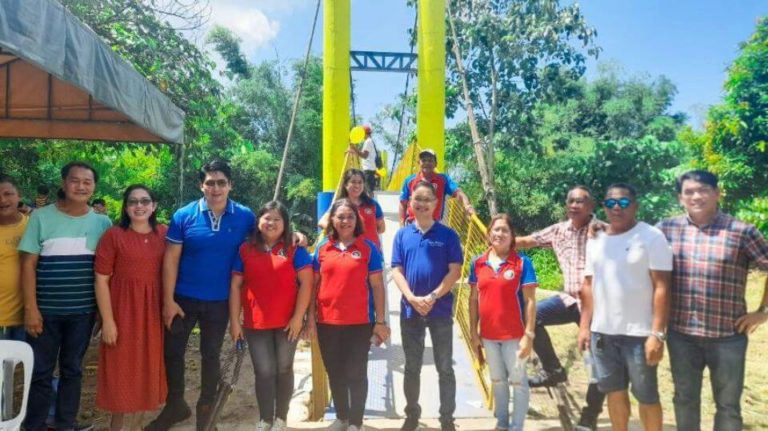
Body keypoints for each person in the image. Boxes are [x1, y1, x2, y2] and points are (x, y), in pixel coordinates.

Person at [147, 159, 256, 431]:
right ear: (201, 185)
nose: (215, 188)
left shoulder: (245, 217)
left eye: (221, 182)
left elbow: (268, 238)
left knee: (211, 355)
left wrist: (298, 236)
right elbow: (171, 260)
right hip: (183, 299)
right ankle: (175, 406)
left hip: (220, 301)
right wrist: (168, 300)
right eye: (210, 182)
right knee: (172, 352)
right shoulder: (183, 215)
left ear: (230, 185)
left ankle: (206, 413)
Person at [656, 170, 768, 431]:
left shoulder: (742, 231)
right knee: (684, 399)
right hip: (681, 335)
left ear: (717, 193)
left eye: (703, 189)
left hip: (728, 336)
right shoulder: (666, 229)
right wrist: (599, 226)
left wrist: (764, 311)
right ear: (680, 198)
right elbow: (631, 241)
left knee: (728, 406)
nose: (696, 196)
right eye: (689, 192)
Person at [19, 161, 112, 431]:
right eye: (75, 180)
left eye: (87, 181)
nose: (81, 186)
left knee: (73, 370)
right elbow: (28, 266)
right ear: (63, 183)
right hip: (44, 313)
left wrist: (101, 313)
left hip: (83, 314)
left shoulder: (102, 223)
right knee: (40, 372)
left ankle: (65, 424)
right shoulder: (40, 217)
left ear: (94, 186)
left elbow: (105, 273)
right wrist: (30, 309)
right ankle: (34, 425)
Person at [577, 183, 672, 431]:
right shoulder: (595, 240)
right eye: (610, 203)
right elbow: (588, 286)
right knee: (614, 393)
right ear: (603, 207)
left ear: (635, 206)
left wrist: (657, 334)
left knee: (647, 396)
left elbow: (662, 287)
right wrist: (585, 327)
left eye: (623, 203)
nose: (616, 208)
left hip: (640, 335)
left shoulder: (651, 237)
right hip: (603, 334)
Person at [514, 185, 606, 429]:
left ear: (591, 206)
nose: (575, 205)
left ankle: (589, 415)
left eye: (581, 201)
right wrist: (499, 239)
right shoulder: (559, 231)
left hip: (598, 304)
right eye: (571, 201)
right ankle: (554, 370)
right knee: (530, 316)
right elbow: (529, 241)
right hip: (569, 299)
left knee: (597, 364)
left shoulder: (603, 232)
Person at [229, 201, 313, 431]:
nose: (271, 223)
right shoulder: (246, 249)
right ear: (258, 222)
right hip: (256, 323)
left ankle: (281, 419)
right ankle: (265, 419)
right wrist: (235, 321)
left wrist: (299, 318)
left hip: (288, 322)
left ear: (285, 224)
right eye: (267, 218)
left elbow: (307, 282)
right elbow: (236, 285)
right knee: (264, 371)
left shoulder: (295, 249)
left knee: (284, 368)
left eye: (277, 219)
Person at [307, 198, 390, 431]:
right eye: (340, 216)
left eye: (350, 217)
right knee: (334, 371)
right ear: (332, 219)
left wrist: (380, 321)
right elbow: (312, 284)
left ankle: (356, 422)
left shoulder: (368, 248)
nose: (345, 221)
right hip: (327, 321)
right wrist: (309, 318)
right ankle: (341, 418)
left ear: (357, 220)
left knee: (356, 372)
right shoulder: (322, 248)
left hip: (360, 322)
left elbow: (377, 286)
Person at [94, 185, 168, 431]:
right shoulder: (114, 236)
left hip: (153, 315)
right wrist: (108, 321)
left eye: (145, 201)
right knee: (120, 371)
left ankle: (137, 427)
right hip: (122, 313)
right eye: (133, 201)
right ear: (126, 207)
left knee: (148, 370)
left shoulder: (164, 234)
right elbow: (102, 280)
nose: (139, 206)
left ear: (154, 205)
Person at [391, 180, 463, 431]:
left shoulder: (448, 235)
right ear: (410, 203)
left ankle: (447, 419)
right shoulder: (402, 235)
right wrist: (411, 297)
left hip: (440, 310)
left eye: (426, 199)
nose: (421, 204)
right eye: (417, 199)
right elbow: (397, 270)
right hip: (411, 309)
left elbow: (455, 271)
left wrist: (432, 297)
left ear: (435, 203)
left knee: (445, 366)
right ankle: (411, 415)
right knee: (412, 367)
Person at [468, 214, 538, 431]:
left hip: (514, 336)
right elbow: (473, 299)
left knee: (518, 382)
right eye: (495, 230)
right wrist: (473, 332)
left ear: (512, 236)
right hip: (488, 336)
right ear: (489, 233)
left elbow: (530, 301)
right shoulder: (478, 263)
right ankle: (502, 423)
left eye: (504, 230)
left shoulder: (522, 263)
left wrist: (529, 335)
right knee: (498, 381)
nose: (499, 234)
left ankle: (516, 427)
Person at [398, 149, 474, 225]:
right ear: (419, 163)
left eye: (430, 160)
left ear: (435, 164)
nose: (427, 163)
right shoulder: (410, 181)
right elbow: (403, 203)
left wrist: (467, 206)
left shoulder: (443, 180)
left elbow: (458, 192)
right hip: (413, 224)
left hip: (434, 225)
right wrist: (401, 224)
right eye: (424, 160)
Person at [319, 169, 385, 250]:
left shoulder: (372, 204)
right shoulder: (340, 205)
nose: (357, 185)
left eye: (360, 182)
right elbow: (322, 222)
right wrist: (339, 230)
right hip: (348, 253)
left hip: (371, 252)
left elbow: (381, 228)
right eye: (353, 182)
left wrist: (365, 236)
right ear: (346, 185)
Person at [0, 175, 28, 341]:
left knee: (27, 366)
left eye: (8, 193)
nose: (2, 200)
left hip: (29, 317)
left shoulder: (34, 226)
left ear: (19, 195)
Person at [348, 125, 378, 193]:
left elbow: (365, 155)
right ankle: (370, 202)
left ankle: (369, 203)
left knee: (367, 190)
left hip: (368, 170)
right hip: (371, 169)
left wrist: (354, 148)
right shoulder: (371, 141)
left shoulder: (368, 142)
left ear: (364, 133)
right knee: (369, 190)